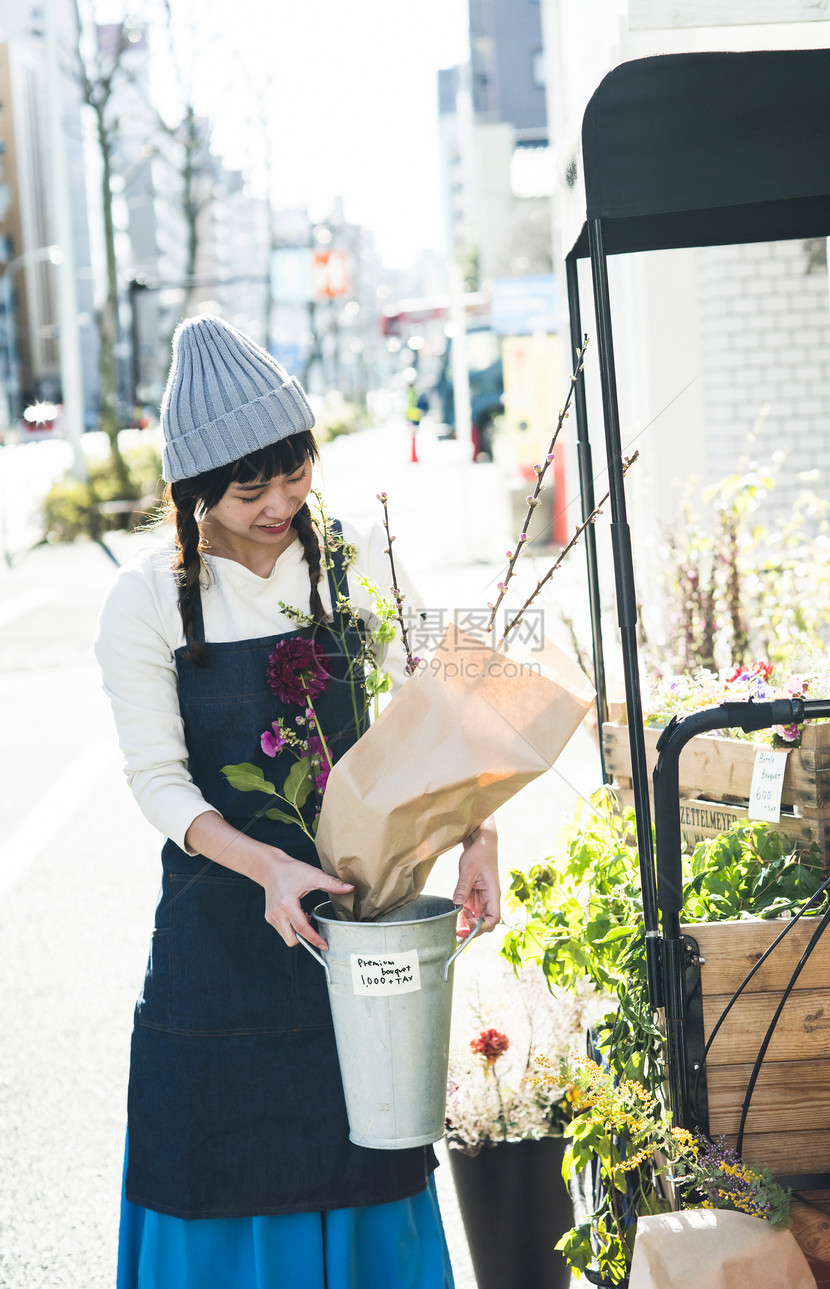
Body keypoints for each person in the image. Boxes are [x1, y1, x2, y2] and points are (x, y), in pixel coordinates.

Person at [94, 315, 501, 1289]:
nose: (281, 501)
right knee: (213, 1159)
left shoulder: (353, 557)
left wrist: (478, 828)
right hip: (218, 932)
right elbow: (158, 780)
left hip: (360, 924)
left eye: (297, 470)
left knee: (367, 1149)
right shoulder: (144, 599)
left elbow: (435, 704)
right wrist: (266, 864)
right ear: (195, 487)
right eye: (249, 487)